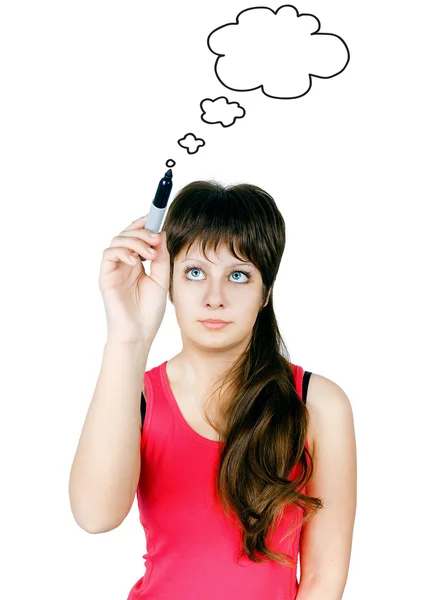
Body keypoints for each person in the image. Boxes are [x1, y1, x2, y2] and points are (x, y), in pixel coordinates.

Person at [69, 180, 357, 600]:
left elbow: (322, 580)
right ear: (169, 283)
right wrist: (127, 339)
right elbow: (95, 517)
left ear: (266, 293)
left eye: (238, 275)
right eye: (194, 272)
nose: (214, 297)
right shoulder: (137, 395)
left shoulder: (317, 404)